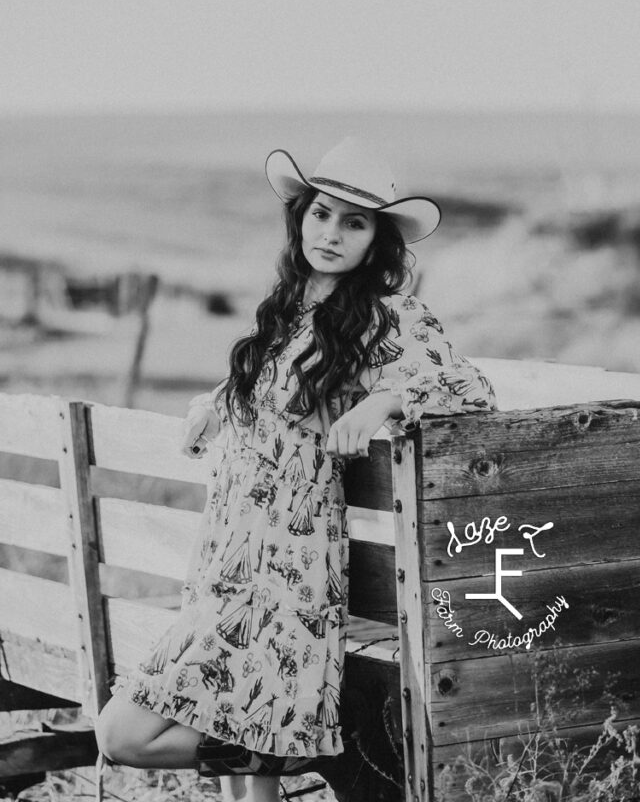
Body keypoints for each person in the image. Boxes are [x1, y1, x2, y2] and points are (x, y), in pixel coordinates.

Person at [95, 137, 497, 802]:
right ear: (299, 219)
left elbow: (469, 388)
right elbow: (274, 399)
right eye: (320, 214)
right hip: (224, 568)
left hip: (285, 580)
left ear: (377, 241)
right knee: (236, 740)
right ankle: (284, 758)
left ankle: (300, 756)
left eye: (354, 222)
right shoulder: (287, 309)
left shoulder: (383, 315)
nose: (331, 233)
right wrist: (216, 404)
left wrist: (383, 400)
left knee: (123, 734)